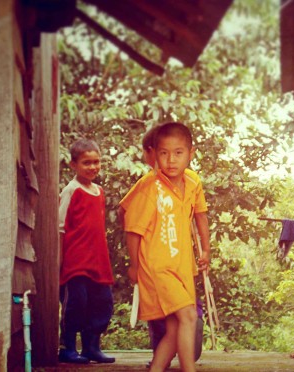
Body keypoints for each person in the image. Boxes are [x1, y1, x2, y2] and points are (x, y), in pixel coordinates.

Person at [122, 122, 210, 372]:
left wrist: (206, 250)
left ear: (191, 153)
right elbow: (132, 229)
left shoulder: (193, 182)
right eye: (163, 153)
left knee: (174, 329)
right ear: (155, 153)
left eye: (178, 153)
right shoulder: (150, 187)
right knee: (189, 317)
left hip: (183, 266)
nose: (171, 160)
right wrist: (135, 266)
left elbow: (201, 215)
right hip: (157, 266)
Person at [58, 138, 115, 364]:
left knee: (103, 302)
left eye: (96, 162)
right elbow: (60, 227)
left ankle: (92, 346)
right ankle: (68, 347)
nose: (92, 167)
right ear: (73, 165)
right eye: (86, 163)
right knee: (76, 303)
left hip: (98, 261)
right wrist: (60, 261)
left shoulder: (99, 191)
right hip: (76, 261)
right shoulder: (71, 190)